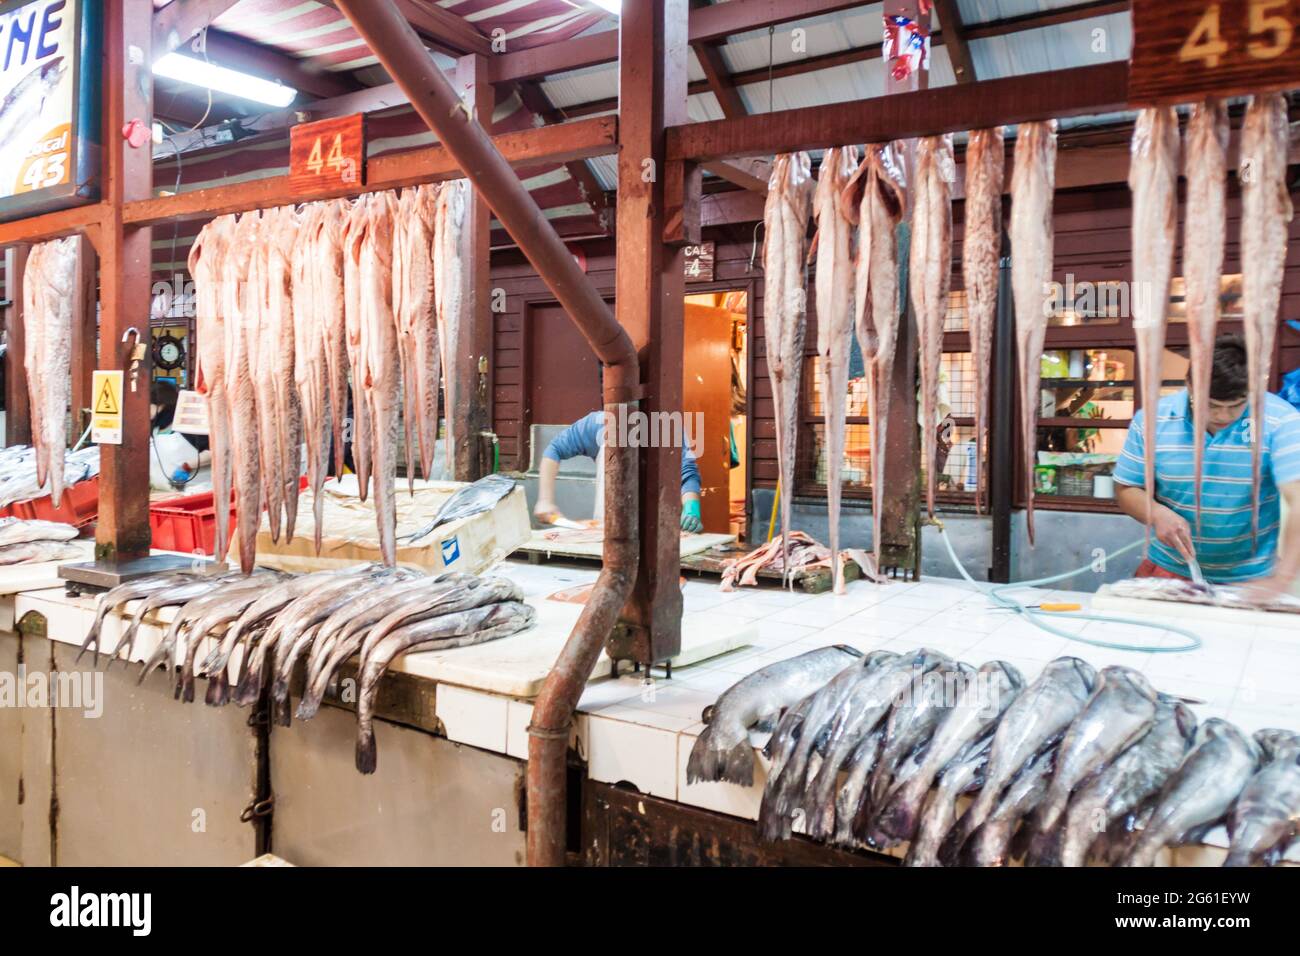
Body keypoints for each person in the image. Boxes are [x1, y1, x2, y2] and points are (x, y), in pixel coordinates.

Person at [1113, 333, 1300, 596]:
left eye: (1236, 405)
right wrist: (1157, 514)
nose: (1223, 416)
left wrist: (1283, 578)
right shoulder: (1152, 420)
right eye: (1211, 405)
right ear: (1190, 385)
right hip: (1169, 569)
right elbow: (1126, 489)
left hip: (1252, 578)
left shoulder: (1281, 421)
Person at [534, 410, 704, 532]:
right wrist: (545, 500)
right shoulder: (596, 423)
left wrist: (692, 508)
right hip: (607, 530)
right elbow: (554, 450)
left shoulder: (668, 427)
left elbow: (687, 472)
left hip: (658, 530)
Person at [149, 380, 209, 492]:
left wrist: (187, 466)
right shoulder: (154, 428)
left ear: (161, 404)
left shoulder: (188, 425)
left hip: (196, 492)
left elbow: (214, 452)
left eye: (148, 405)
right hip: (163, 494)